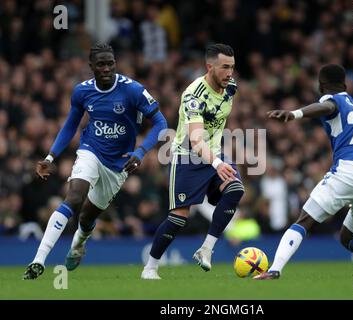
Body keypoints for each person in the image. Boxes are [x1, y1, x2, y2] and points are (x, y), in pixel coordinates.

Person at [23, 43, 168, 279]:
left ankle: (79, 243)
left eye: (110, 63)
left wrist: (140, 152)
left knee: (87, 217)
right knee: (75, 195)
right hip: (90, 150)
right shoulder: (82, 92)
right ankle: (38, 260)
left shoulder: (133, 90)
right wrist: (50, 156)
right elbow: (71, 124)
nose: (107, 68)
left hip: (119, 164)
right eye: (101, 64)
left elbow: (161, 124)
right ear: (91, 66)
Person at [254, 64, 353, 280]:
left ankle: (274, 269)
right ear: (345, 84)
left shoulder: (332, 99)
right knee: (349, 239)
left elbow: (327, 108)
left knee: (304, 221)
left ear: (321, 85)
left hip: (350, 169)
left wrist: (294, 114)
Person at [141, 43, 244, 279]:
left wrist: (218, 158)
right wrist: (218, 163)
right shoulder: (193, 95)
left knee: (235, 188)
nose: (230, 73)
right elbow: (196, 141)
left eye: (233, 67)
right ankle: (150, 267)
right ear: (210, 67)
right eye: (225, 67)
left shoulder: (231, 88)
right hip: (187, 157)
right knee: (179, 218)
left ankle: (206, 249)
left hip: (214, 153)